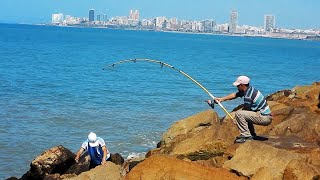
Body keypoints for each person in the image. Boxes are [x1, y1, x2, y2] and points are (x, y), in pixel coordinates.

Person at [206, 75, 272, 143]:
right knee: (244, 114)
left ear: (242, 85)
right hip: (264, 115)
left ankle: (246, 136)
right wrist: (221, 99)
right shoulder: (249, 89)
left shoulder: (248, 95)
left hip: (265, 118)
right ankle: (252, 134)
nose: (237, 87)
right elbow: (235, 95)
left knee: (239, 113)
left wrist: (237, 119)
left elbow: (246, 111)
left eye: (238, 85)